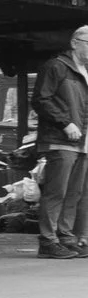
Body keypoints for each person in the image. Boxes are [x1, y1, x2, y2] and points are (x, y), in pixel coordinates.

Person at [31, 25, 88, 259]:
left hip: (82, 142)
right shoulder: (56, 67)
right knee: (57, 192)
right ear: (75, 43)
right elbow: (41, 99)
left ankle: (66, 237)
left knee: (74, 192)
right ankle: (48, 240)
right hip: (61, 141)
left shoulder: (84, 71)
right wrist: (66, 123)